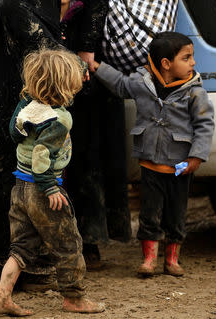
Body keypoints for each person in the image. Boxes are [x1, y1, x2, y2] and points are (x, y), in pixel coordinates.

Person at [0, 48, 105, 316]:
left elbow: (14, 133)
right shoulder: (59, 118)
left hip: (20, 188)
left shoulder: (27, 106)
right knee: (68, 243)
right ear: (66, 84)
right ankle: (74, 298)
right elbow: (42, 155)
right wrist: (49, 187)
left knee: (21, 247)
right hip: (43, 190)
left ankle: (2, 297)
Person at [92, 31, 214, 277]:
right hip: (150, 166)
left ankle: (172, 260)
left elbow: (204, 125)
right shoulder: (142, 83)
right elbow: (119, 84)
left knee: (176, 215)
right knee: (149, 214)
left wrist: (196, 156)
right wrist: (96, 66)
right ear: (166, 64)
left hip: (180, 168)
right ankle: (149, 260)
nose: (193, 63)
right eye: (187, 57)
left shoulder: (195, 92)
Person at [60, 0, 132, 268]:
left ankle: (87, 239)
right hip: (58, 58)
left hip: (87, 65)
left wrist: (86, 48)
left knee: (85, 155)